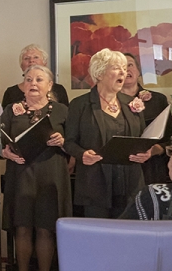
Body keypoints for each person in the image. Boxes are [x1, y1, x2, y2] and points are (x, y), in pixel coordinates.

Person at [0, 65, 70, 271]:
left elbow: (75, 142)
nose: (33, 84)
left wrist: (63, 141)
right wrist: (5, 152)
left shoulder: (61, 110)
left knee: (45, 228)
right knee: (22, 226)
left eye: (39, 79)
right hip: (21, 172)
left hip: (51, 172)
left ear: (50, 85)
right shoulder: (12, 110)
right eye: (28, 79)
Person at [63, 49, 158, 218]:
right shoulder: (80, 105)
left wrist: (146, 152)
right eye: (116, 68)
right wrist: (82, 154)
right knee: (99, 233)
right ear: (99, 74)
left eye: (124, 68)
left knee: (129, 232)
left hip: (130, 182)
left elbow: (142, 139)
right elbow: (69, 142)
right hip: (95, 183)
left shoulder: (132, 103)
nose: (123, 72)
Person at [121, 52, 171, 185]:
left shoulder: (158, 100)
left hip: (151, 169)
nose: (126, 69)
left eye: (130, 65)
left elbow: (171, 139)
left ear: (139, 71)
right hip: (119, 170)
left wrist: (153, 151)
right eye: (120, 66)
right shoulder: (107, 103)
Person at [0, 44, 69, 106]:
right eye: (26, 58)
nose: (31, 61)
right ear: (21, 66)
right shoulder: (11, 92)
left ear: (45, 63)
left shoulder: (58, 90)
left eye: (36, 57)